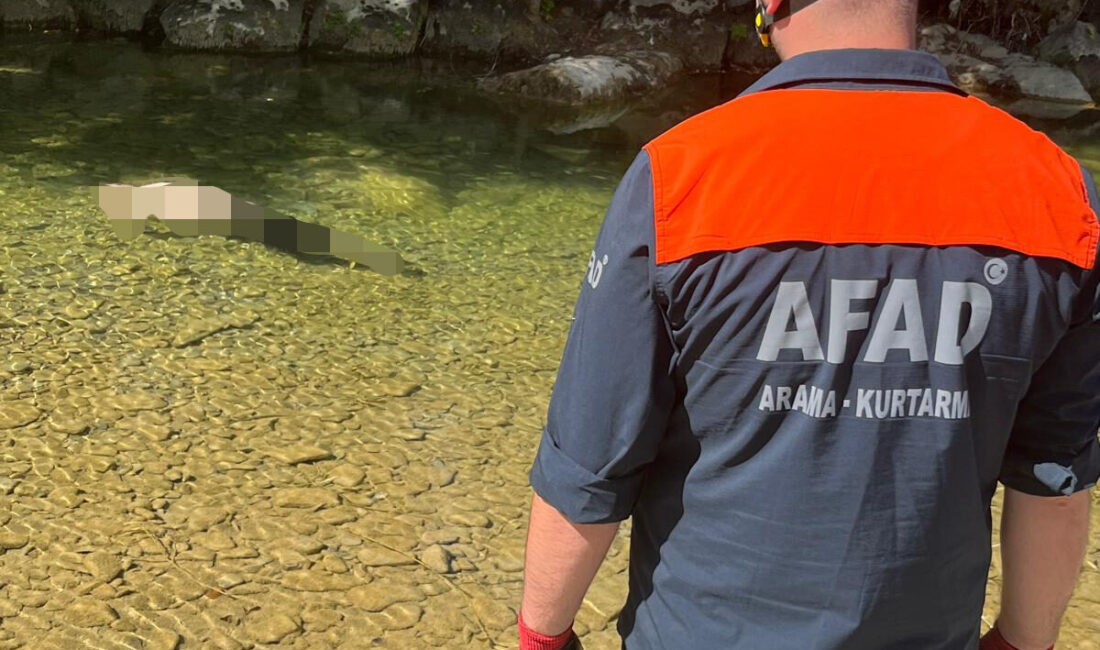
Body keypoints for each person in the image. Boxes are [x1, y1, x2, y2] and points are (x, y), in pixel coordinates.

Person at [517, 1, 1100, 649]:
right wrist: (1022, 639)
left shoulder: (681, 174)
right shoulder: (1058, 190)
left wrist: (543, 635)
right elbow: (1055, 474)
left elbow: (590, 463)